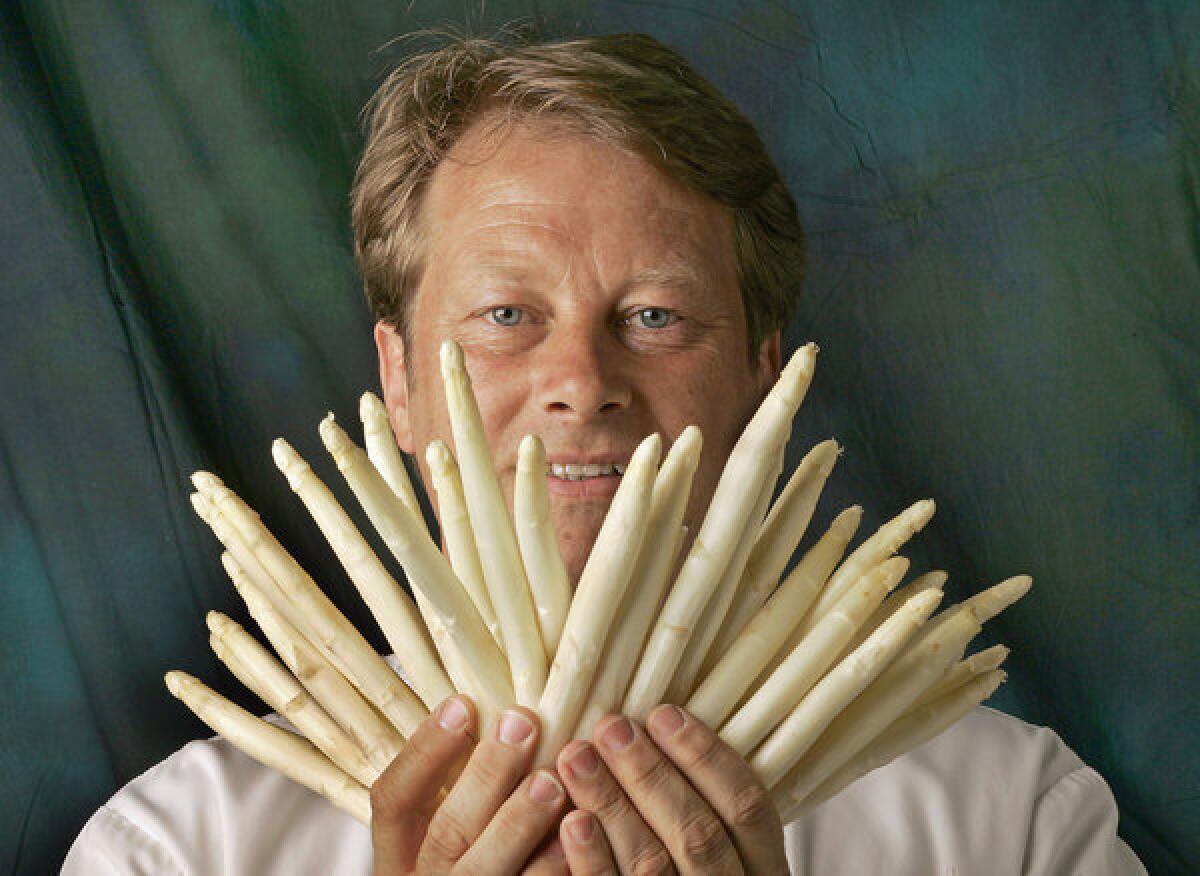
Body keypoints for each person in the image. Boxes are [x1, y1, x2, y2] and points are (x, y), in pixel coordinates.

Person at [64, 32, 1145, 874]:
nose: (581, 380)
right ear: (397, 381)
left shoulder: (1016, 828)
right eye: (503, 315)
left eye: (657, 316)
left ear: (764, 379)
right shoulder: (175, 849)